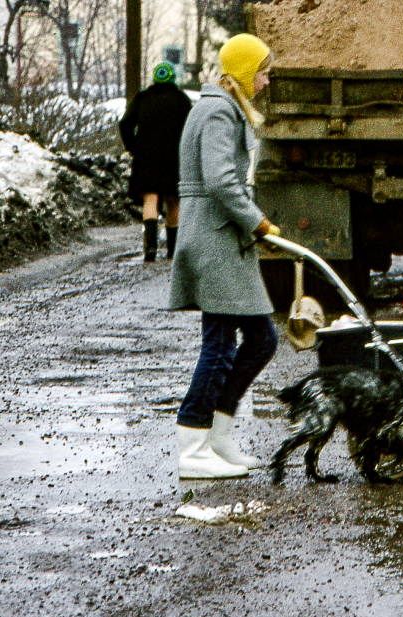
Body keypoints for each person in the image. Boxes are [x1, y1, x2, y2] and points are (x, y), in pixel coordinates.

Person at [168, 34, 281, 480]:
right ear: (244, 72)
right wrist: (259, 223)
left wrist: (255, 225)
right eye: (264, 72)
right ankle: (193, 444)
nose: (267, 81)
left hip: (220, 237)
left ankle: (216, 437)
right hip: (215, 238)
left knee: (262, 340)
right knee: (219, 344)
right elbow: (219, 180)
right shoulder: (218, 110)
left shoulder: (221, 107)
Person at [118, 61, 193, 262]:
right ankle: (172, 250)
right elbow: (191, 130)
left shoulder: (142, 99)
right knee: (173, 201)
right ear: (172, 78)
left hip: (146, 157)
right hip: (174, 158)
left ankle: (150, 248)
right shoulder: (181, 100)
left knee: (150, 199)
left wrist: (133, 148)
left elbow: (125, 123)